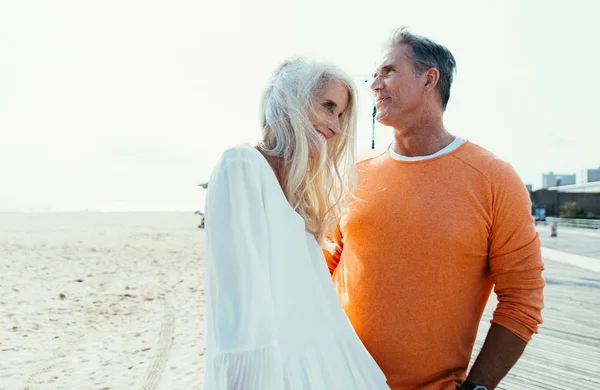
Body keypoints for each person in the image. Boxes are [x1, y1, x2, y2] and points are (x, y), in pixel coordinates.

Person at [324, 27, 545, 390]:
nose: (375, 84)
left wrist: (478, 387)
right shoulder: (353, 172)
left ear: (429, 80)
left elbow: (522, 299)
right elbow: (322, 269)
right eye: (375, 74)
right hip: (334, 378)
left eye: (388, 71)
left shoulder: (494, 178)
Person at [202, 58, 389, 389]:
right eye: (328, 106)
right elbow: (241, 317)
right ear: (290, 98)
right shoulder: (242, 166)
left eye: (341, 116)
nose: (335, 126)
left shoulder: (297, 198)